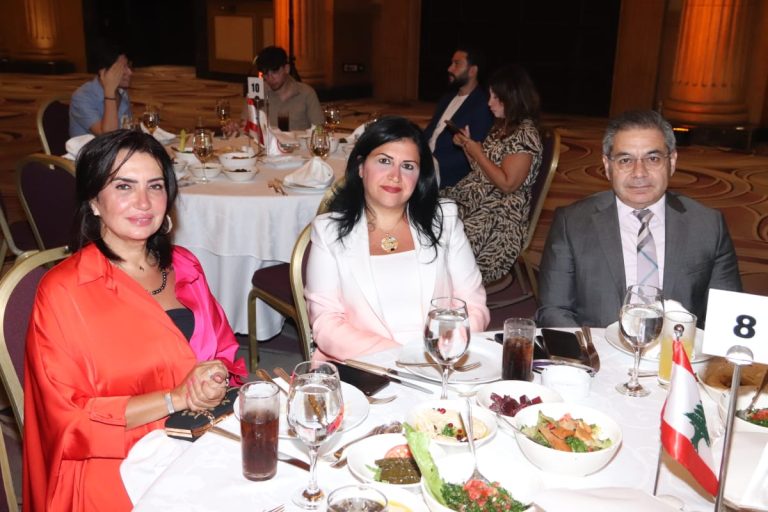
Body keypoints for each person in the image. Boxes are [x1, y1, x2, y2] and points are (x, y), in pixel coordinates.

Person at [23, 130, 247, 511]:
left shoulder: (185, 266)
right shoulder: (64, 292)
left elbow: (226, 355)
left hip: (203, 436)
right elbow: (70, 421)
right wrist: (174, 398)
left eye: (155, 186)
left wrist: (215, 377)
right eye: (124, 186)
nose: (143, 202)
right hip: (112, 461)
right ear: (94, 201)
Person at [305, 116, 489, 361]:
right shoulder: (329, 231)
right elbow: (326, 323)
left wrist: (446, 348)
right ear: (361, 167)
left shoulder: (444, 220)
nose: (395, 176)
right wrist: (402, 358)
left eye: (408, 166)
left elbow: (473, 305)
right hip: (363, 365)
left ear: (419, 175)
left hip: (440, 361)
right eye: (384, 161)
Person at [536, 110, 742, 328]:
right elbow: (554, 309)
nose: (639, 173)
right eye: (625, 160)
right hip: (595, 347)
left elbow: (728, 316)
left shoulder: (708, 226)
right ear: (607, 166)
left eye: (652, 159)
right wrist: (589, 348)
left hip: (677, 348)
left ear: (672, 162)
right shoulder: (572, 223)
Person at [442, 64, 542, 284]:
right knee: (431, 212)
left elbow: (507, 184)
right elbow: (484, 172)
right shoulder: (502, 127)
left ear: (513, 98)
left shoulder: (525, 135)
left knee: (447, 241)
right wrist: (468, 147)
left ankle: (446, 286)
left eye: (497, 98)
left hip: (499, 219)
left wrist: (478, 153)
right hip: (478, 201)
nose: (489, 103)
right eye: (490, 96)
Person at [423, 45, 494, 188]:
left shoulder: (482, 105)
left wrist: (430, 165)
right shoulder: (448, 98)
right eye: (451, 63)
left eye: (456, 64)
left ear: (472, 71)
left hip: (447, 176)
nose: (449, 68)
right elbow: (430, 133)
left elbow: (474, 153)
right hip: (425, 163)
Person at [70, 43, 133, 137]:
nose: (130, 72)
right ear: (103, 72)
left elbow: (126, 132)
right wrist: (109, 92)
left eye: (129, 66)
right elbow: (108, 136)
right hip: (93, 147)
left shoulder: (122, 93)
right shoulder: (81, 97)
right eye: (122, 68)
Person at [256, 45, 324, 131]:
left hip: (299, 140)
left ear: (287, 69)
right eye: (266, 74)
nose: (270, 78)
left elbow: (319, 129)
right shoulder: (258, 92)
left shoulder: (306, 93)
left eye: (275, 72)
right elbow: (245, 128)